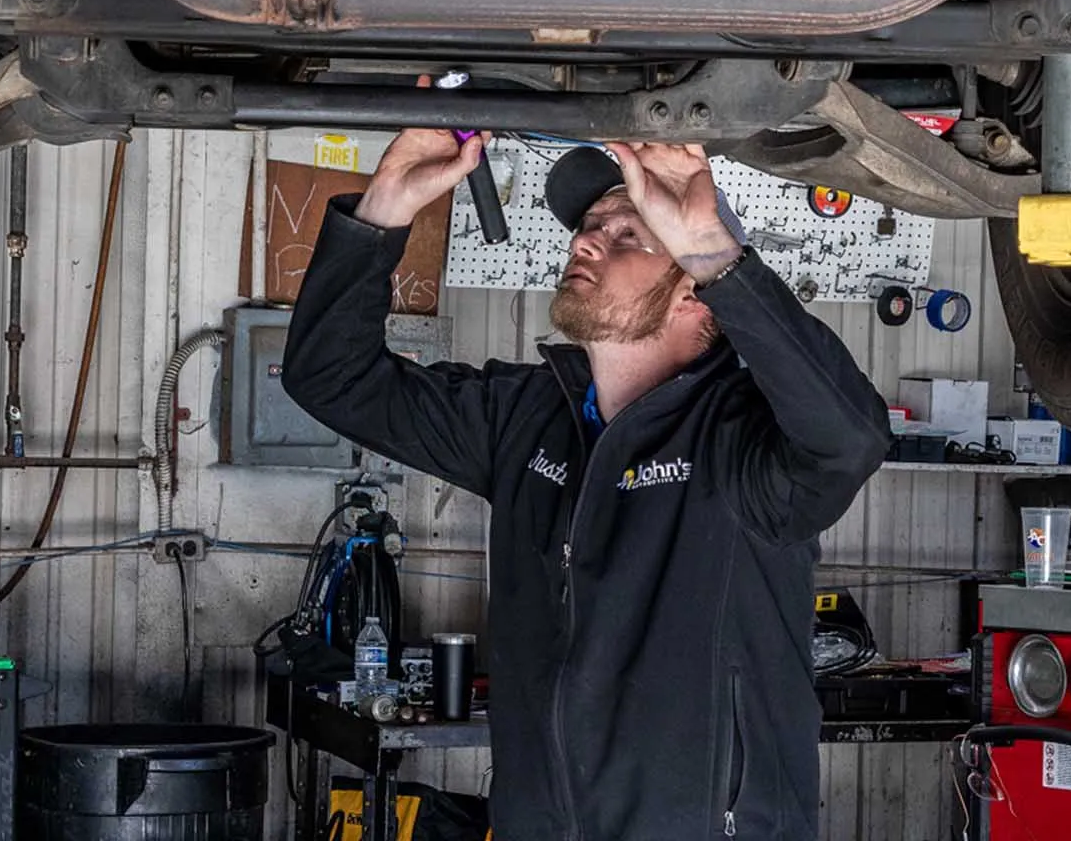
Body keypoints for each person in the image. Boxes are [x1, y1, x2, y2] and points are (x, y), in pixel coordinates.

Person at [283, 128, 892, 840]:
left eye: (629, 235)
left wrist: (721, 256)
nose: (586, 242)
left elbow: (852, 438)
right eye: (590, 226)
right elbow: (331, 377)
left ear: (698, 292)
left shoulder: (742, 444)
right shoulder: (525, 421)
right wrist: (383, 208)